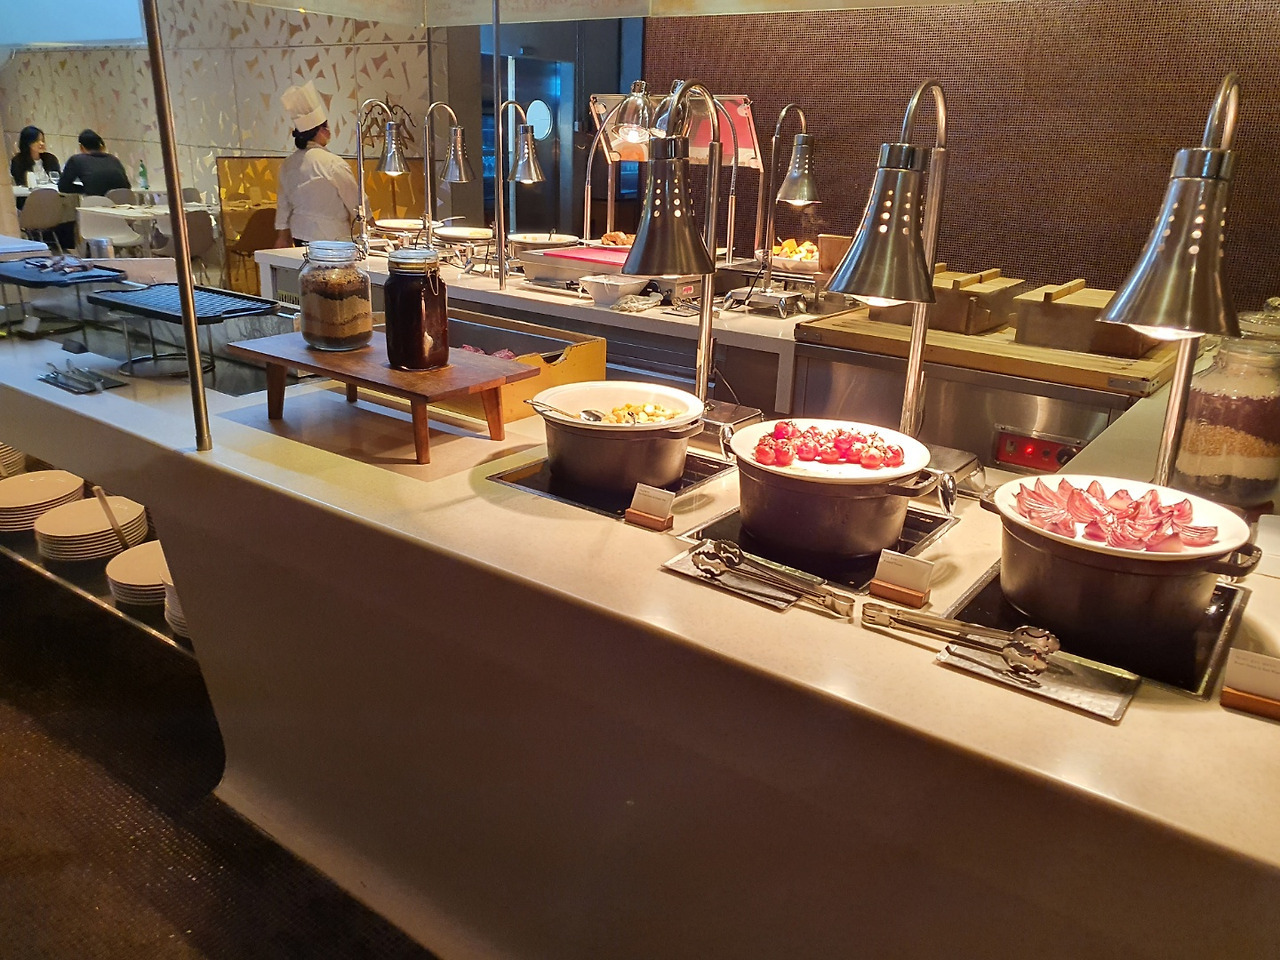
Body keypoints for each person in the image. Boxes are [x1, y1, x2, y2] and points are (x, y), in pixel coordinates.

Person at [274, 80, 359, 247]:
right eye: (326, 127)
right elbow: (355, 199)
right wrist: (371, 225)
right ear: (320, 131)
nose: (329, 131)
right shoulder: (332, 163)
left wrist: (282, 237)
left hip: (300, 234)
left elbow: (283, 204)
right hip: (332, 237)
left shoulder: (288, 164)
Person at [58, 129, 130, 196]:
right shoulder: (114, 159)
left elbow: (63, 187)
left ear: (81, 146)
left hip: (96, 202)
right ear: (100, 145)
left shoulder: (76, 160)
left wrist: (85, 189)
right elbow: (127, 186)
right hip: (123, 202)